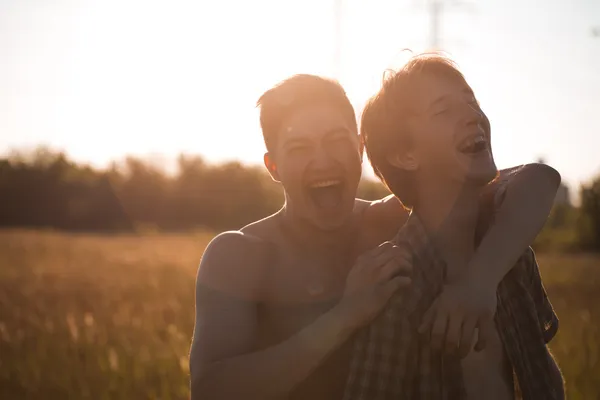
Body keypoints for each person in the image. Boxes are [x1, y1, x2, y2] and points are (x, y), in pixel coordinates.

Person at [189, 74, 561, 399]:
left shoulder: (391, 218)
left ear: (360, 149)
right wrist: (344, 318)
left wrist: (478, 283)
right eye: (300, 148)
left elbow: (535, 180)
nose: (323, 161)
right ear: (274, 166)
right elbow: (211, 389)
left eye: (337, 140)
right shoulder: (238, 254)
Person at [344, 53, 564, 399]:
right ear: (406, 154)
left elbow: (543, 374)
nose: (472, 114)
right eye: (443, 110)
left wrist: (480, 282)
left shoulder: (510, 255)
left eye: (471, 100)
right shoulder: (396, 286)